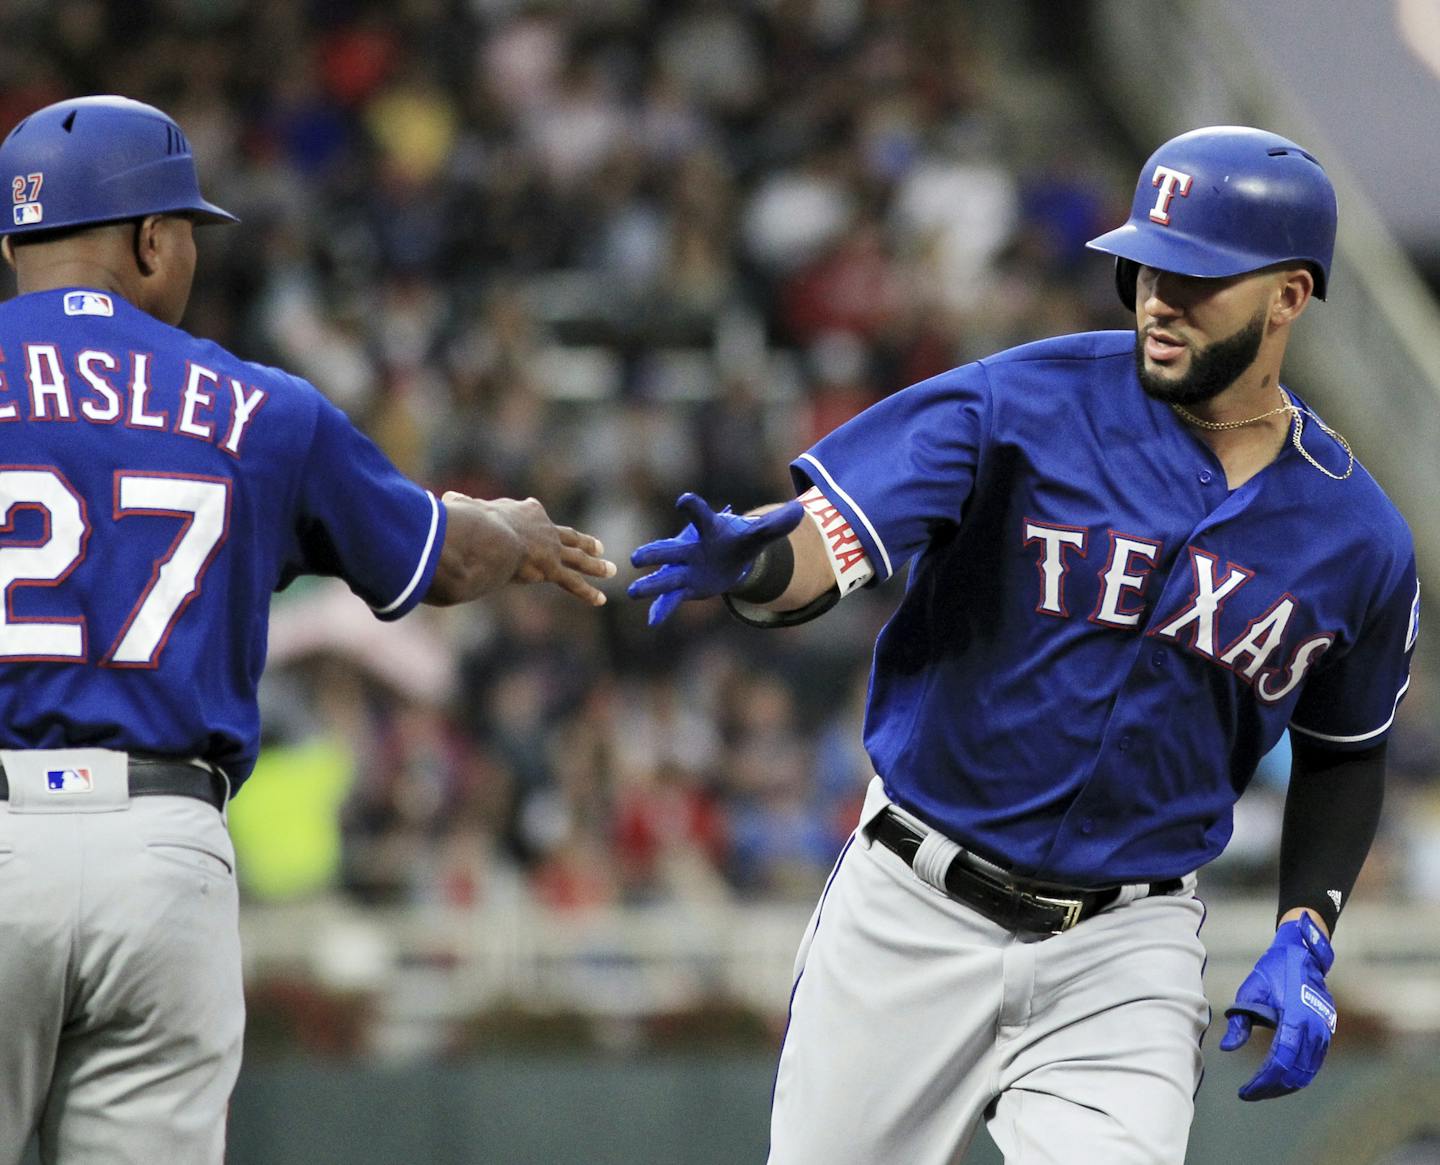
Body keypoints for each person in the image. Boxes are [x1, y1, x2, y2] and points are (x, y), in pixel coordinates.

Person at [629, 125, 1419, 1163]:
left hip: (1125, 948)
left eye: (1198, 277)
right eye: (1146, 265)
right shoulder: (1020, 402)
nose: (1158, 297)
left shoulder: (1357, 536)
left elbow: (1346, 750)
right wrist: (762, 570)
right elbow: (825, 548)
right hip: (916, 906)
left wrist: (1307, 925)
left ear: (1289, 296)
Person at [0, 95, 615, 1165]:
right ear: (152, 238)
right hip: (163, 847)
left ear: (16, 241)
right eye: (185, 227)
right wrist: (511, 529)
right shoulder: (258, 407)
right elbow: (439, 555)